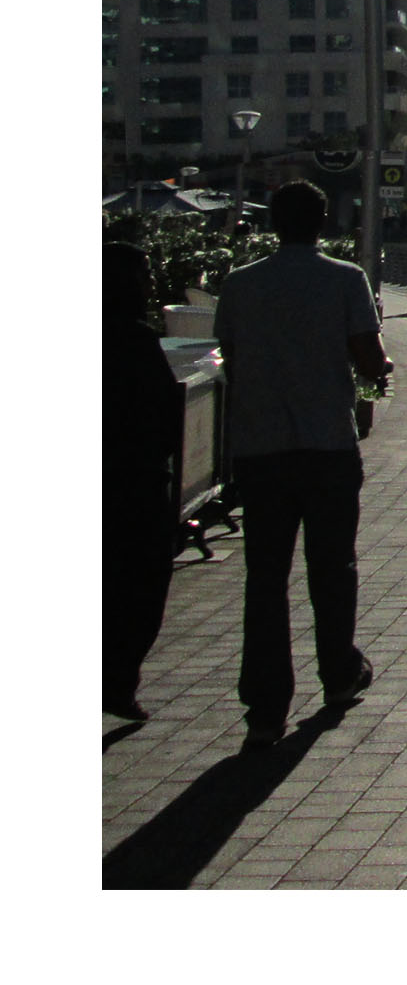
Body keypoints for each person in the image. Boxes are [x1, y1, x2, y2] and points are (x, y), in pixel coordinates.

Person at [213, 180, 391, 749]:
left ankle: (266, 708)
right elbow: (370, 358)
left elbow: (231, 357)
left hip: (260, 449)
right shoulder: (345, 279)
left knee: (265, 578)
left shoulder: (239, 284)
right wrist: (380, 371)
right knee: (332, 567)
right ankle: (338, 674)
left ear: (273, 223)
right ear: (323, 221)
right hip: (326, 446)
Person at [103, 243, 185, 721]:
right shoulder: (135, 340)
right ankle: (117, 681)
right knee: (140, 586)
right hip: (135, 485)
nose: (152, 285)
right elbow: (163, 410)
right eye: (145, 276)